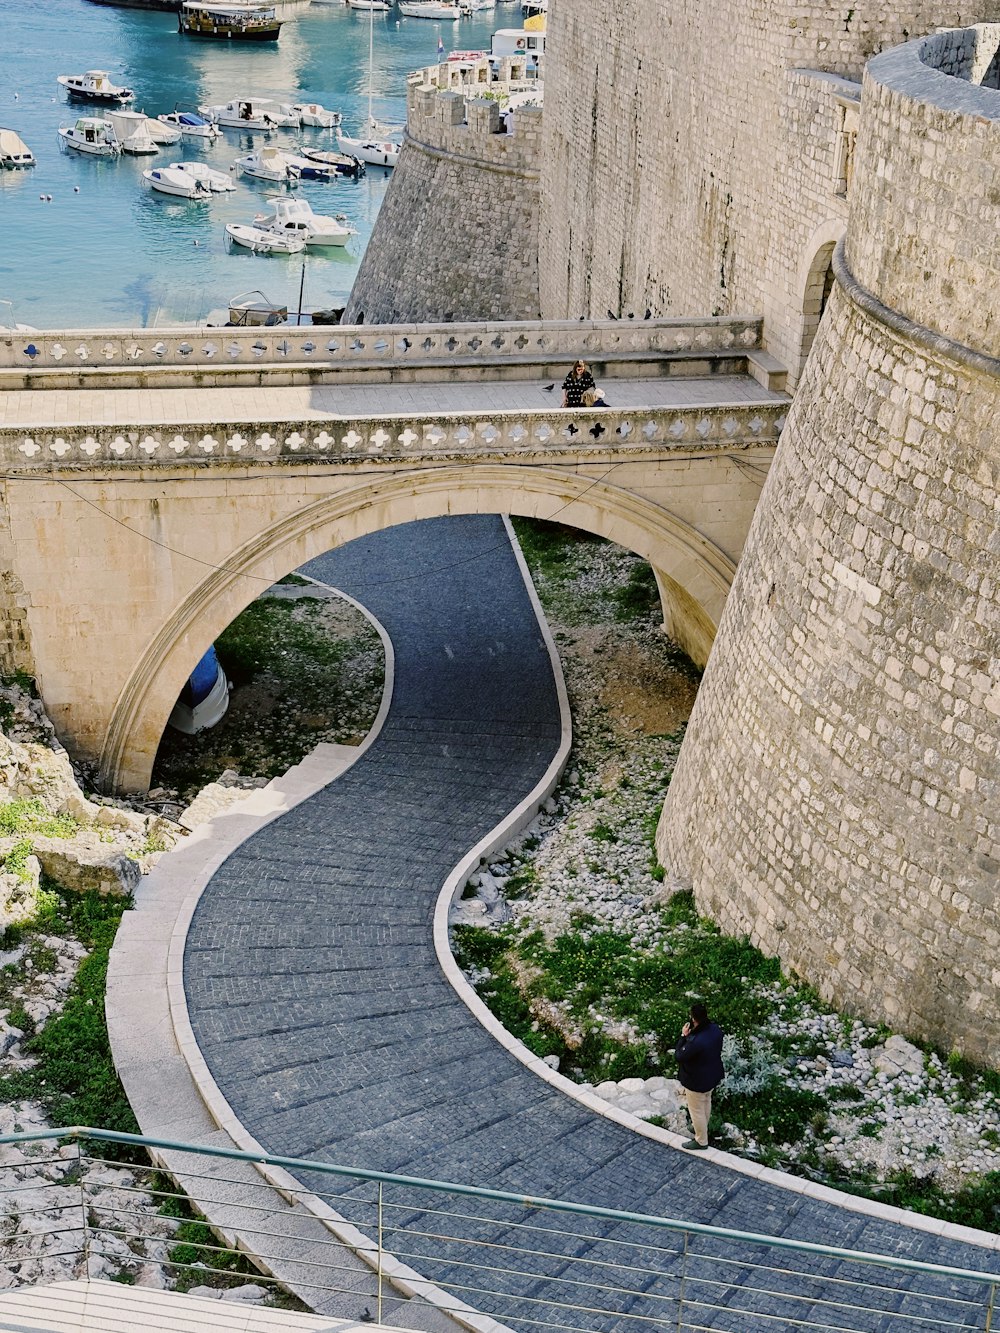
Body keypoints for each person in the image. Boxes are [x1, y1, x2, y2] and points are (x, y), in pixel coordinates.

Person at [674, 1002, 724, 1151]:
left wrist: (684, 1036)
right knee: (706, 1101)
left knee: (696, 1110)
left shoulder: (696, 1041)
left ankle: (701, 1140)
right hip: (712, 1075)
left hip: (696, 1080)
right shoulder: (715, 1030)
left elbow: (679, 1055)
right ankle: (701, 1127)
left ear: (693, 1019)